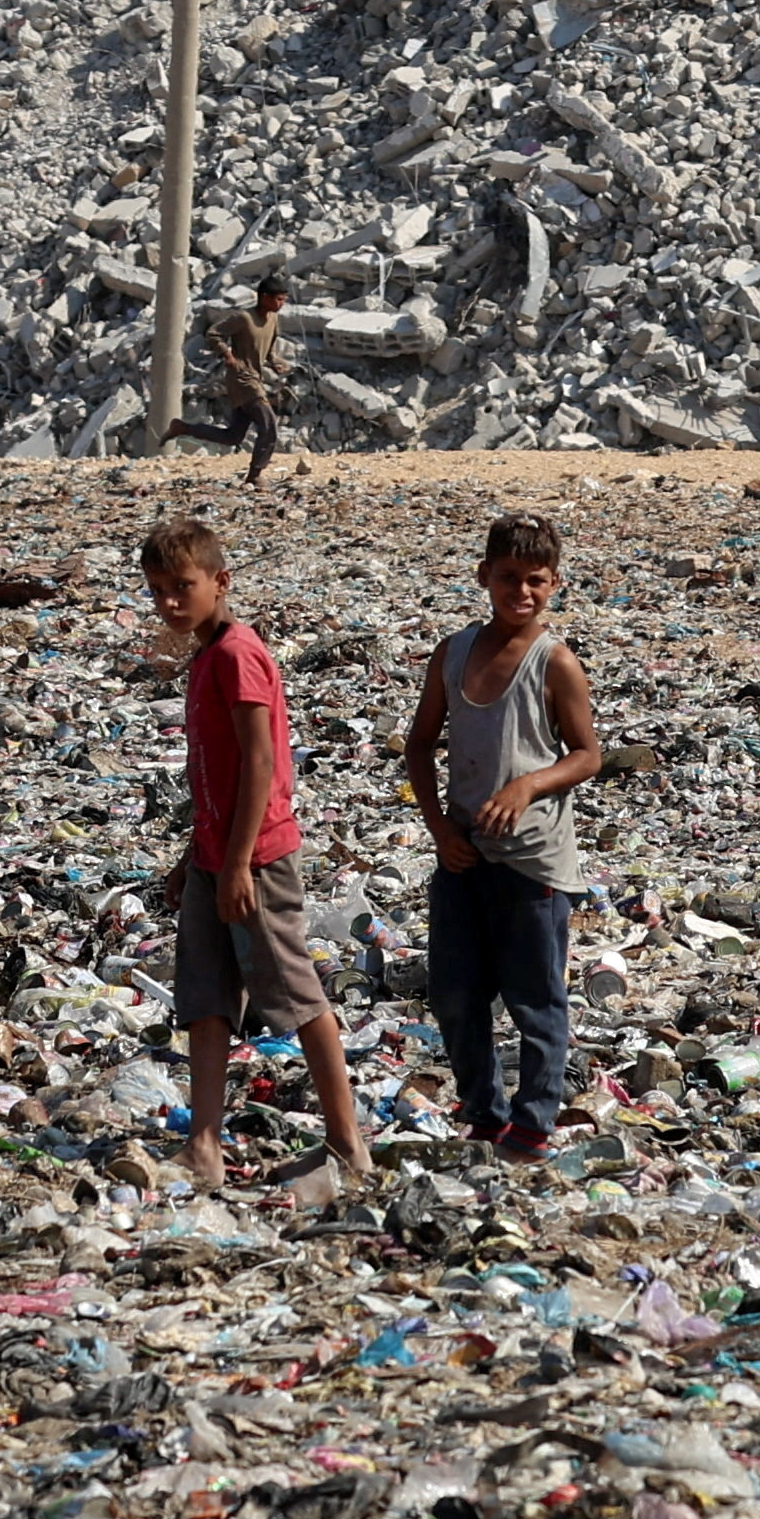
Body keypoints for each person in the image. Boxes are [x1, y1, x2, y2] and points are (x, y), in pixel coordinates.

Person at [140, 513, 367, 1193]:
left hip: (256, 858)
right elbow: (215, 774)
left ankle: (348, 1145)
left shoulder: (238, 653)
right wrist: (193, 857)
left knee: (295, 992)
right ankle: (203, 1146)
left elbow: (261, 761)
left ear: (221, 581)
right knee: (206, 997)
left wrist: (237, 863)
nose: (169, 602)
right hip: (216, 854)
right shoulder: (206, 654)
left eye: (182, 587)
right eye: (157, 590)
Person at [401, 511, 605, 1163]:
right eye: (509, 577)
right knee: (455, 994)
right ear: (484, 575)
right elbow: (419, 744)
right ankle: (484, 1114)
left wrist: (528, 786)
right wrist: (439, 828)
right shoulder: (454, 652)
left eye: (536, 580)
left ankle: (534, 1123)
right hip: (463, 854)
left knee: (534, 998)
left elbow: (587, 754)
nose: (522, 591)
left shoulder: (555, 662)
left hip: (532, 860)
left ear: (555, 584)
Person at [165, 273, 290, 484]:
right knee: (269, 426)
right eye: (278, 299)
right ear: (265, 297)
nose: (281, 304)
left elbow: (268, 350)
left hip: (255, 377)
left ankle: (184, 428)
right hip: (241, 379)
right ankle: (255, 475)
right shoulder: (244, 318)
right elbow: (214, 334)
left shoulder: (274, 320)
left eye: (284, 300)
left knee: (233, 436)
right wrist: (228, 355)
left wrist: (275, 362)